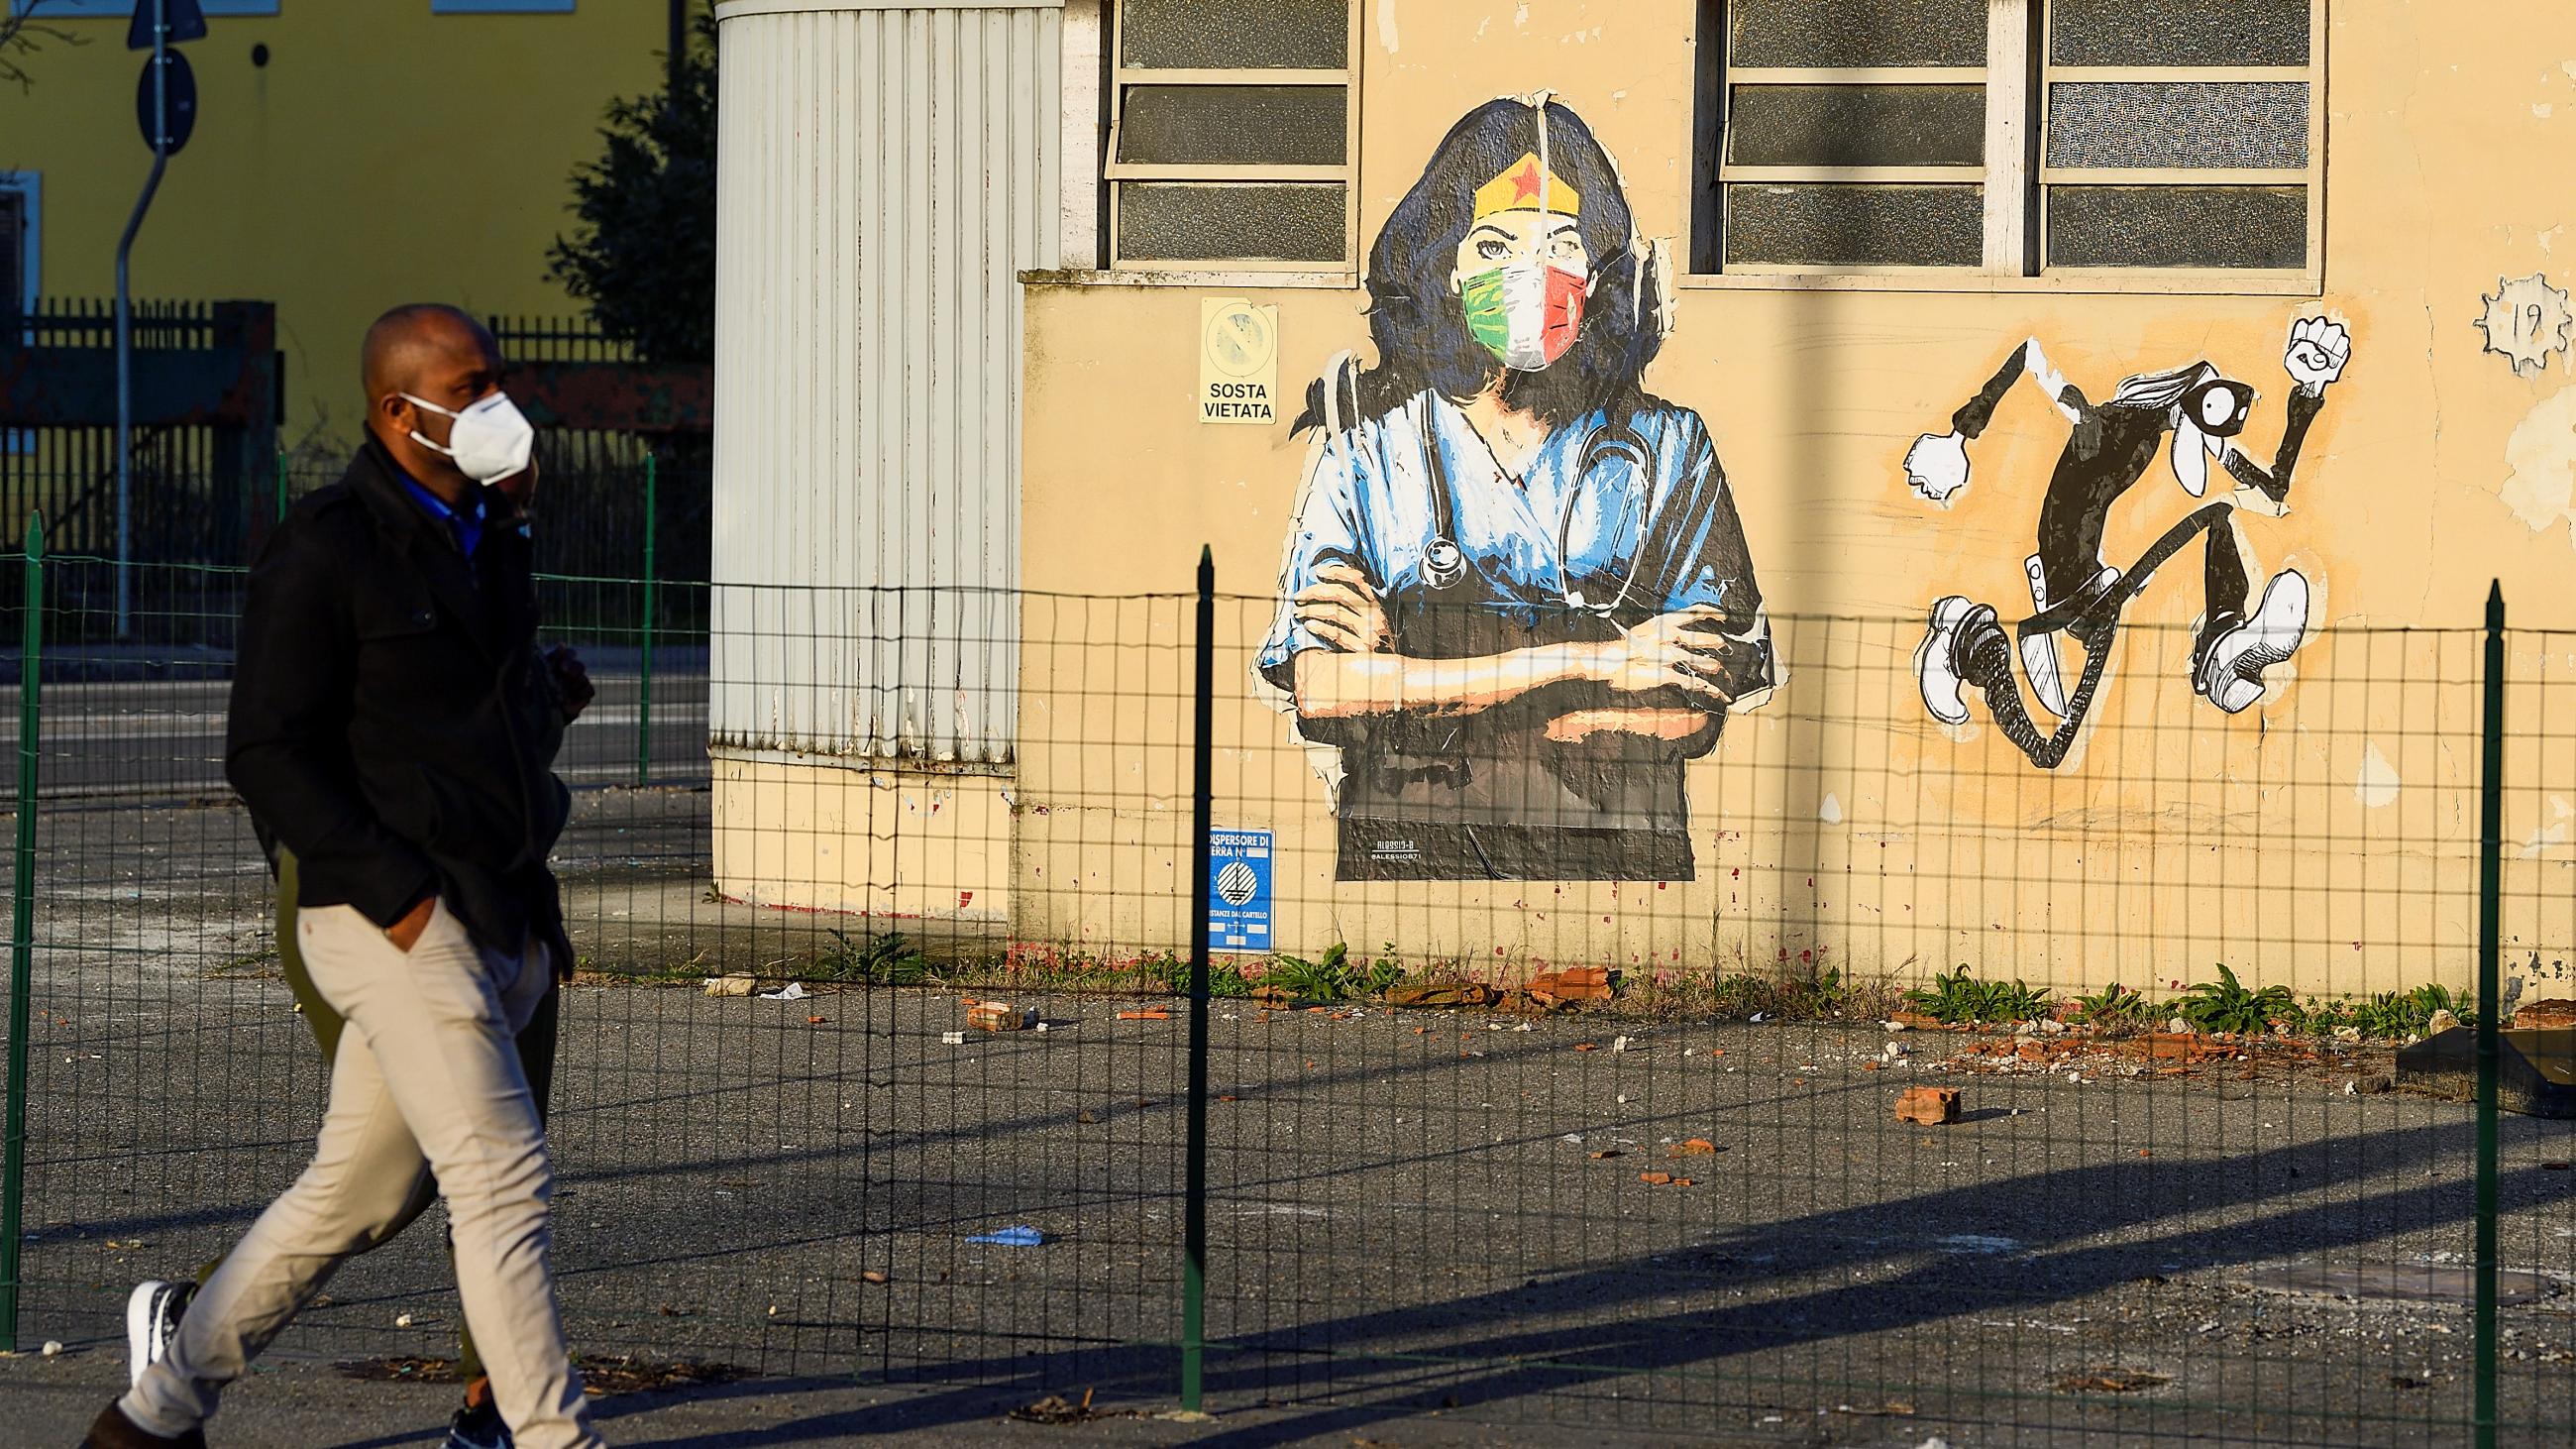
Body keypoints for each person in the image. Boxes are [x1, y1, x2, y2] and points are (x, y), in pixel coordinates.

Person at [87, 305, 601, 1449]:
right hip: (390, 915)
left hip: (496, 905)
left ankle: (151, 1414)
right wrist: (395, 896)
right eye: (469, 389)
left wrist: (540, 715)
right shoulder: (325, 546)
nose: (495, 407)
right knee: (502, 1178)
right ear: (396, 411)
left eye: (494, 382)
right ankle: (553, 1437)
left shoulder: (492, 539)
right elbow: (266, 751)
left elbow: (475, 741)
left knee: (356, 1198)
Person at [1259, 95, 1775, 882]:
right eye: (1496, 243)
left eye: (1564, 244)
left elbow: (1693, 704)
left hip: (1619, 855)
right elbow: (1326, 689)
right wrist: (1604, 662)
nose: (1533, 274)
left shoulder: (1672, 450)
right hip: (1404, 855)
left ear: (1601, 273)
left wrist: (1415, 681)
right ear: (1448, 264)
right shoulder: (1371, 451)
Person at [1903, 317, 2351, 769]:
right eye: (2214, 411)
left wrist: (2308, 393)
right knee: (2050, 749)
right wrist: (1959, 436)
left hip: (2100, 586)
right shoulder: (2098, 422)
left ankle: (2223, 642)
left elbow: (2272, 487)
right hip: (2068, 590)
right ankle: (1970, 645)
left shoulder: (2170, 432)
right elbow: (2030, 354)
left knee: (2219, 515)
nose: (2214, 434)